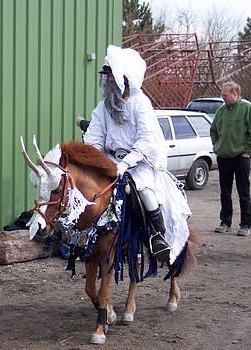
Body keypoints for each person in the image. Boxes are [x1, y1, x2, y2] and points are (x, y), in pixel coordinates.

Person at [79, 45, 191, 264]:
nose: (106, 80)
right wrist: (97, 161)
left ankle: (156, 236)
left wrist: (125, 164)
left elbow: (146, 139)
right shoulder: (103, 107)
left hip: (139, 162)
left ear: (123, 79)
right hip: (110, 161)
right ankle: (84, 236)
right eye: (106, 76)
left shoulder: (141, 104)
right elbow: (94, 137)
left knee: (144, 191)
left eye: (110, 76)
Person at [210, 82, 251, 237]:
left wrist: (247, 151)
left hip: (241, 158)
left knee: (243, 192)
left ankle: (245, 225)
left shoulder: (247, 109)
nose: (222, 97)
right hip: (224, 157)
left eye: (225, 95)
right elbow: (214, 131)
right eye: (222, 94)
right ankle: (225, 221)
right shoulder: (221, 111)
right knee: (225, 192)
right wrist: (217, 147)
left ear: (235, 94)